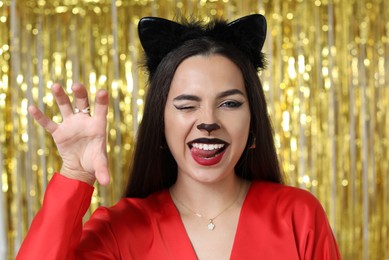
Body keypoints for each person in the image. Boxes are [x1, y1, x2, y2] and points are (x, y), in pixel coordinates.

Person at [17, 14, 341, 259]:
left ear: (253, 123)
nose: (208, 122)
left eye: (229, 103)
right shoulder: (119, 230)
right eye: (187, 105)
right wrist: (75, 175)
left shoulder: (299, 216)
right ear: (160, 123)